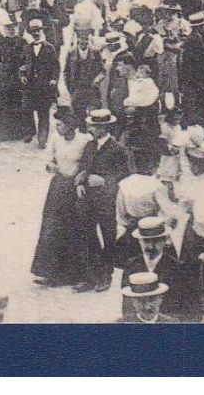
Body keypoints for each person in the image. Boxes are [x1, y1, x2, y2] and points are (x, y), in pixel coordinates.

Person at [30, 105, 97, 289]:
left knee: (75, 229)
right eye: (55, 125)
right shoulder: (55, 139)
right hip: (58, 187)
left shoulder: (85, 140)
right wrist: (50, 165)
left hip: (76, 189)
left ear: (69, 125)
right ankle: (51, 273)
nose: (57, 128)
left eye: (59, 125)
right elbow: (48, 159)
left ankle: (76, 275)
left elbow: (88, 164)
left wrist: (81, 177)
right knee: (52, 229)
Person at [76, 109, 131, 292]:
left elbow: (125, 175)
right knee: (87, 236)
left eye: (94, 126)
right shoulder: (90, 146)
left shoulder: (118, 150)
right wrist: (80, 183)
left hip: (107, 201)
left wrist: (105, 181)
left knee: (108, 238)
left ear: (104, 128)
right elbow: (83, 166)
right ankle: (91, 276)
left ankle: (105, 276)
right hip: (87, 199)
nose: (90, 128)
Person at [21, 17, 59, 148]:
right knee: (27, 109)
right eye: (33, 32)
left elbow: (56, 66)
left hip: (44, 86)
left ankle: (43, 137)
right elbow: (21, 65)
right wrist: (22, 75)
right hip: (30, 86)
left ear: (42, 31)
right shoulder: (27, 48)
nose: (36, 34)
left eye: (38, 31)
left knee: (43, 112)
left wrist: (54, 79)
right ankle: (29, 131)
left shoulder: (50, 48)